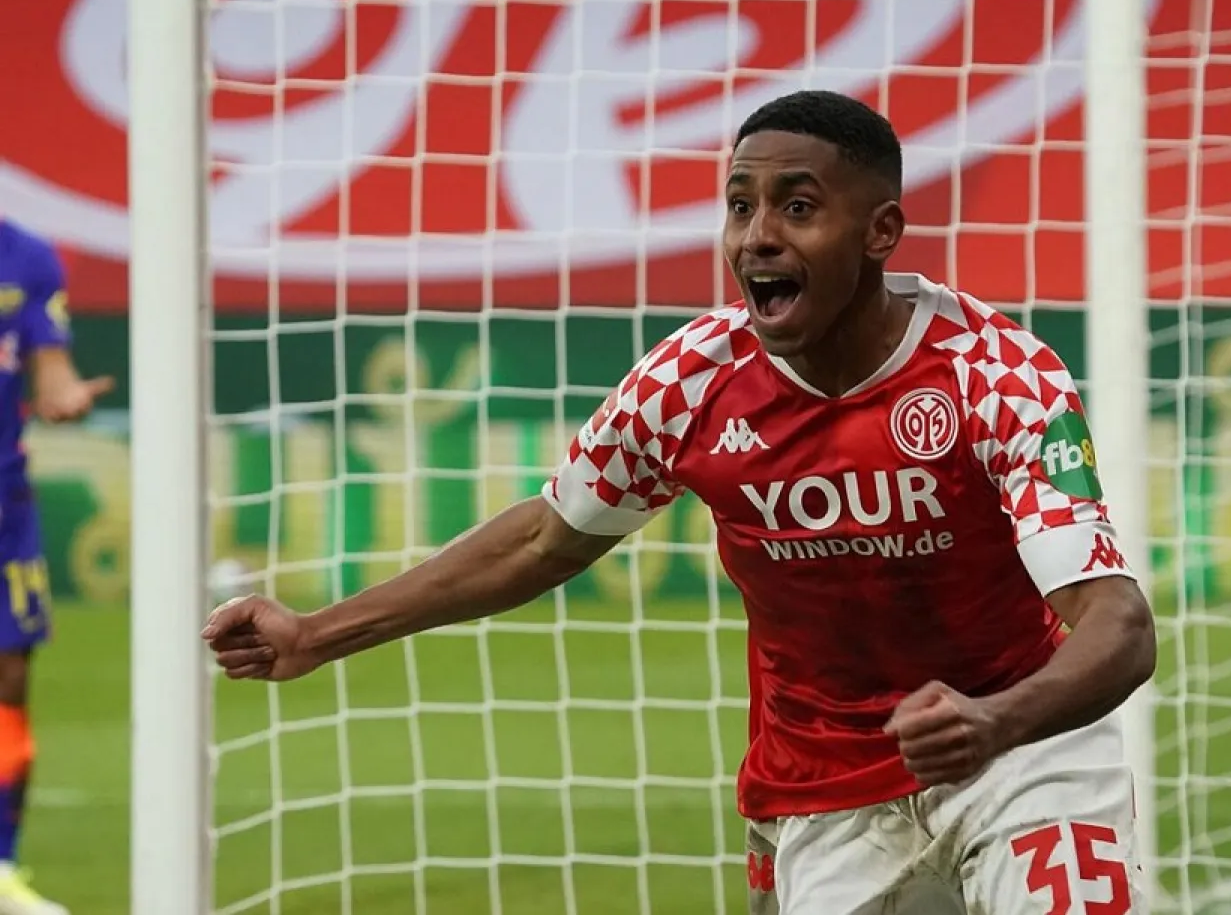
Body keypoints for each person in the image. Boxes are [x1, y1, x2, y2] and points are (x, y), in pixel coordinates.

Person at [204, 90, 1156, 913]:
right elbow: (543, 539)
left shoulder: (994, 374)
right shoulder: (692, 381)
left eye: (798, 206)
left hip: (1022, 754)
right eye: (740, 206)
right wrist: (316, 634)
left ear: (880, 233)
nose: (758, 237)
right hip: (824, 789)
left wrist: (999, 721)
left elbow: (1119, 623)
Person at [0, 218, 113, 915]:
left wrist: (62, 397)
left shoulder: (27, 256)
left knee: (10, 675)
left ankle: (1, 870)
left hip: (4, 504)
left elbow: (52, 370)